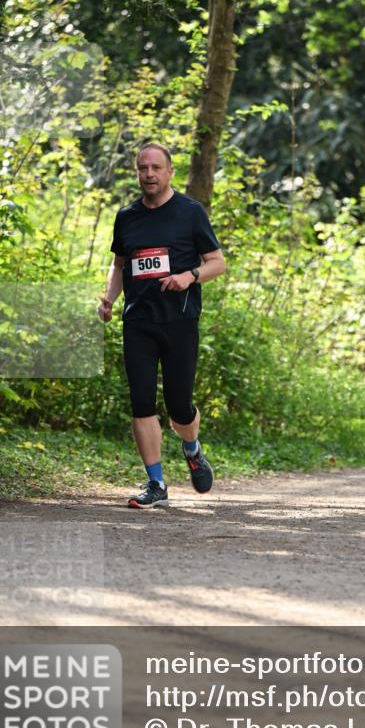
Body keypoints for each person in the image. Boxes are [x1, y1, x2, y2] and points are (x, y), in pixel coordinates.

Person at [98, 142, 226, 508]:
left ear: (169, 172)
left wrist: (190, 276)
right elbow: (121, 264)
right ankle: (156, 484)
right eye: (142, 168)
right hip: (138, 321)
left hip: (179, 321)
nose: (149, 174)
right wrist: (109, 299)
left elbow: (218, 262)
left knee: (180, 405)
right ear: (137, 172)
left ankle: (192, 448)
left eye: (156, 168)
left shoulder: (190, 212)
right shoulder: (127, 216)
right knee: (141, 403)